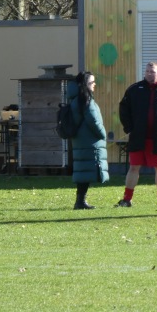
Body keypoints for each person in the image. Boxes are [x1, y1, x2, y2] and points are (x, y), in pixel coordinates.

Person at [116, 61, 157, 207]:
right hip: (138, 136)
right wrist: (129, 129)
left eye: (152, 72)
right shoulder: (134, 89)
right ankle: (127, 199)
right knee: (134, 167)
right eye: (146, 71)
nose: (148, 74)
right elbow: (123, 109)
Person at [68, 71, 109, 209]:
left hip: (80, 140)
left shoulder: (75, 99)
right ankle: (80, 201)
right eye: (92, 82)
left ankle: (80, 201)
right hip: (88, 141)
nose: (94, 84)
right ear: (85, 84)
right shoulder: (86, 100)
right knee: (85, 171)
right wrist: (103, 134)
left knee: (83, 170)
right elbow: (94, 121)